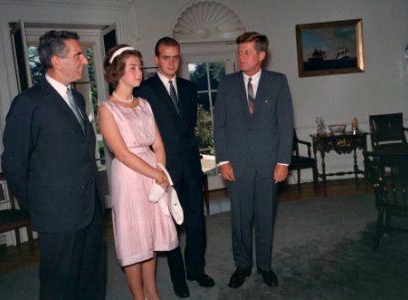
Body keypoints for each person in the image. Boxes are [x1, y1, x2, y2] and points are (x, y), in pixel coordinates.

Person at [1, 30, 106, 299]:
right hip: (57, 215)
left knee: (92, 281)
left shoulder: (78, 98)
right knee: (59, 286)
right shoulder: (29, 103)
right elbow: (14, 164)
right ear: (57, 62)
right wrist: (37, 205)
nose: (84, 60)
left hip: (90, 209)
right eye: (78, 55)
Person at [134, 37, 215, 298]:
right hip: (163, 168)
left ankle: (196, 270)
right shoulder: (144, 90)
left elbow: (188, 130)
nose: (172, 63)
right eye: (166, 57)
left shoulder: (190, 88)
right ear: (156, 59)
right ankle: (178, 278)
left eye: (176, 57)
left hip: (191, 164)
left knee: (196, 221)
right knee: (168, 227)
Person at [213, 31, 294, 289]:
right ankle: (243, 265)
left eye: (247, 52)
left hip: (269, 165)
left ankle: (265, 266)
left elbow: (285, 125)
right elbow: (220, 126)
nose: (241, 57)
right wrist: (223, 160)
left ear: (261, 55)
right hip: (236, 165)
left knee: (265, 217)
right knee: (240, 218)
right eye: (239, 52)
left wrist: (283, 162)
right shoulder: (226, 84)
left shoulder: (278, 82)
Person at [98, 44, 179, 300]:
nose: (139, 72)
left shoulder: (144, 103)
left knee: (150, 236)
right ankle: (138, 296)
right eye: (132, 67)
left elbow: (158, 144)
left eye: (140, 66)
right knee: (134, 239)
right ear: (117, 72)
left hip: (153, 172)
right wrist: (155, 173)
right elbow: (121, 153)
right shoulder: (107, 109)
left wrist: (161, 170)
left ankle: (152, 292)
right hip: (130, 177)